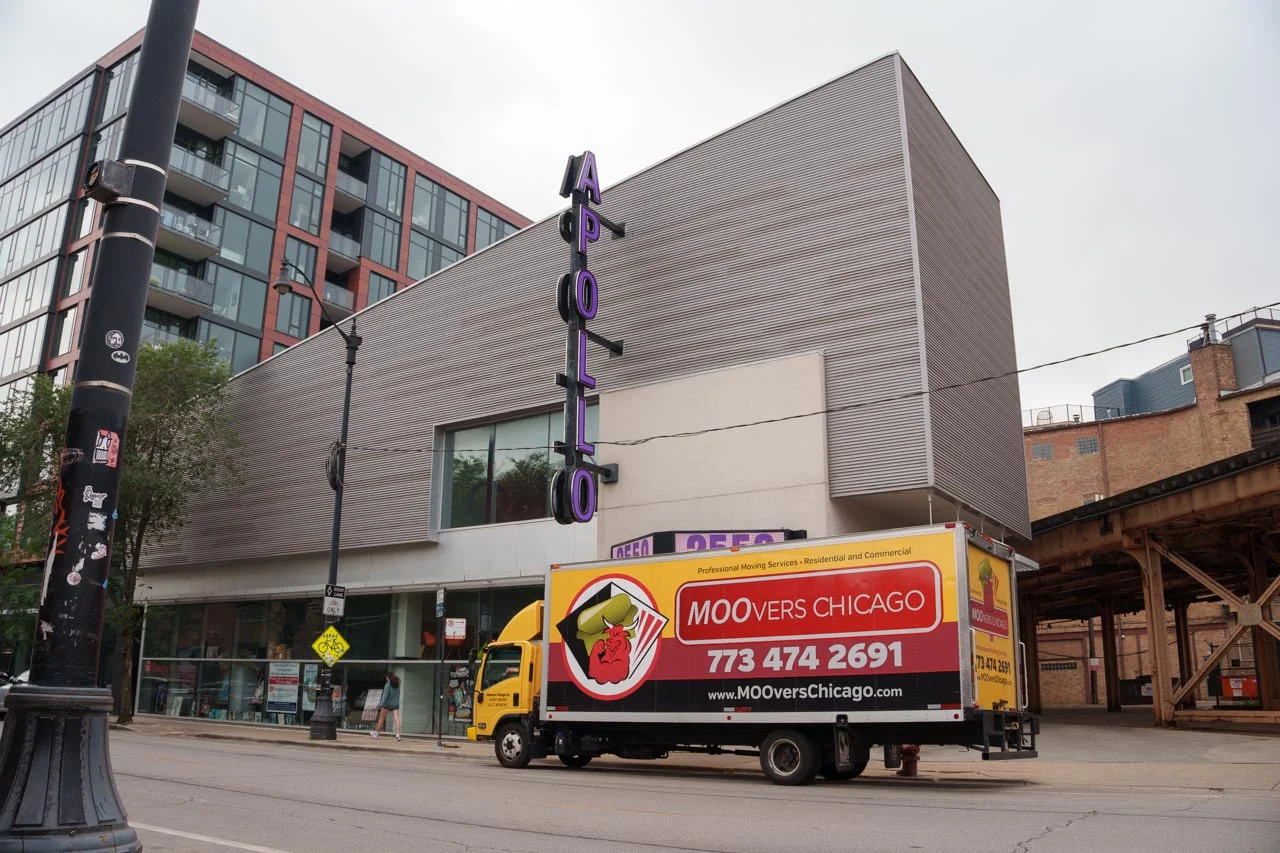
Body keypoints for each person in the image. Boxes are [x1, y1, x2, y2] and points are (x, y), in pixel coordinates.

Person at [370, 672, 401, 741]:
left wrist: (381, 705)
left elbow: (385, 696)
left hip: (387, 704)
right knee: (396, 719)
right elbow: (398, 695)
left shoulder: (388, 684)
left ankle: (376, 733)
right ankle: (398, 735)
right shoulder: (397, 684)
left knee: (381, 718)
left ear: (387, 677)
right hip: (395, 705)